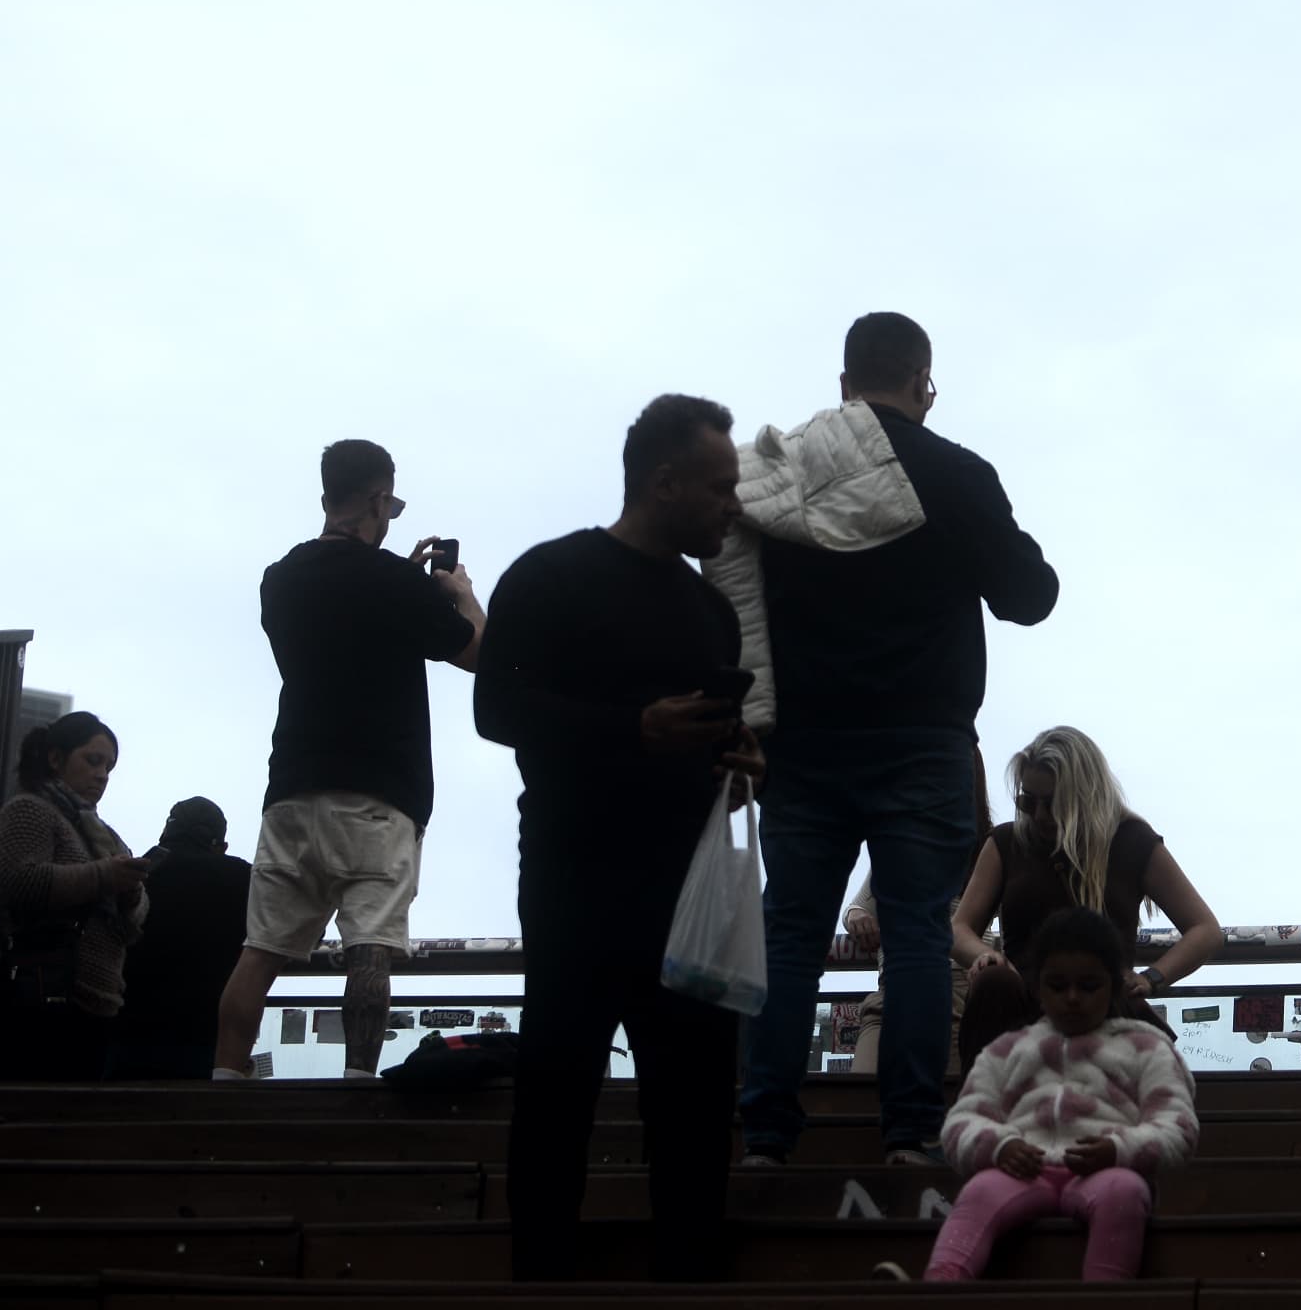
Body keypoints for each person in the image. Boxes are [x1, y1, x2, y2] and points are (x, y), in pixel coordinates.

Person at [719, 312, 1060, 1170]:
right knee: (916, 934)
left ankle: (764, 1131)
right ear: (924, 383)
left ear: (842, 385)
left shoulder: (783, 474)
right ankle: (909, 1131)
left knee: (790, 934)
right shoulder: (955, 474)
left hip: (803, 744)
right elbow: (1028, 596)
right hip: (922, 738)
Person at [475, 392, 765, 1284]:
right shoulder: (551, 576)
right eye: (720, 488)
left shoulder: (710, 607)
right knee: (559, 1084)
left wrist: (736, 754)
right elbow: (497, 710)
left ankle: (689, 1271)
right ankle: (542, 1275)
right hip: (576, 873)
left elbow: (704, 736)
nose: (733, 505)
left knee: (698, 1100)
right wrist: (632, 727)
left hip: (688, 883)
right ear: (663, 482)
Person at [213, 439, 484, 1080]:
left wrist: (400, 578)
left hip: (293, 788)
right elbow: (480, 654)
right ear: (374, 496)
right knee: (370, 949)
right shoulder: (392, 582)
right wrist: (459, 591)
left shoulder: (279, 579)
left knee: (260, 951)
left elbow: (344, 622)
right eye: (390, 502)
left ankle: (222, 1082)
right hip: (380, 794)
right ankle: (358, 1082)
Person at [929, 906, 1201, 1282]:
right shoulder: (1008, 1050)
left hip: (1107, 1172)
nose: (1073, 997)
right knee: (978, 1191)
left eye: (1089, 986)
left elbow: (1178, 1126)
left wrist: (1119, 1151)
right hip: (1023, 1170)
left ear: (1115, 986)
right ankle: (939, 1285)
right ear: (1038, 987)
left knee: (1125, 1191)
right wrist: (1000, 1147)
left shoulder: (1146, 1048)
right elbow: (961, 1120)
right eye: (1058, 986)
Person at [953, 728, 1222, 1061]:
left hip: (1103, 1003)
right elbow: (958, 928)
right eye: (1027, 801)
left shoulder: (1131, 841)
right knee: (993, 984)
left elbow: (1205, 929)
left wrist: (1151, 978)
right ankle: (986, 1102)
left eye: (1052, 803)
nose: (1037, 815)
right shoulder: (1007, 842)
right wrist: (986, 956)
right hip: (1020, 1001)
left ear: (1083, 796)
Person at [0, 711, 152, 1081]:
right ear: (56, 759)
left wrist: (130, 889)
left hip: (95, 999)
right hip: (37, 991)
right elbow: (20, 881)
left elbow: (137, 916)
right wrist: (107, 875)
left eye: (109, 766)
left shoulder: (101, 832)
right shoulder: (30, 810)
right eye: (93, 760)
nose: (103, 774)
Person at [109, 799, 251, 1080]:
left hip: (125, 1040)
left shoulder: (133, 875)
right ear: (220, 846)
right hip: (208, 1044)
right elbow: (292, 932)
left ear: (165, 835)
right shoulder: (242, 878)